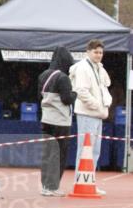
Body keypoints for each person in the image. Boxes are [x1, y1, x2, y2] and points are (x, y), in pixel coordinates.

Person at [70, 40, 111, 194]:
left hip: (97, 114)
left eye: (101, 52)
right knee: (85, 149)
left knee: (95, 150)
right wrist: (96, 105)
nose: (99, 55)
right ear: (88, 52)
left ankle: (89, 181)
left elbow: (106, 84)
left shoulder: (98, 67)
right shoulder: (82, 68)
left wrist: (104, 105)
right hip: (88, 113)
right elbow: (81, 91)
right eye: (96, 52)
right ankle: (80, 182)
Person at [37, 47, 76, 196]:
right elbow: (67, 99)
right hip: (60, 122)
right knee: (59, 155)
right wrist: (75, 93)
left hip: (46, 119)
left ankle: (45, 186)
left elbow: (39, 97)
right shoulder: (63, 78)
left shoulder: (43, 75)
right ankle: (54, 186)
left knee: (47, 154)